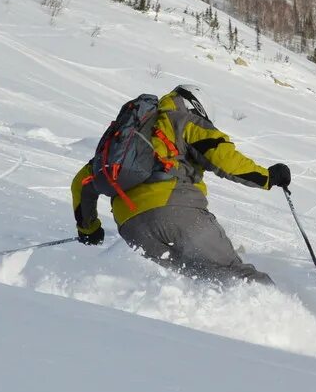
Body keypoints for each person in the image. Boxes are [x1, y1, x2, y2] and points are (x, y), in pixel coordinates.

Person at [70, 86, 290, 285]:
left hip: (132, 228)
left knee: (204, 280)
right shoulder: (183, 120)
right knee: (236, 275)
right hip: (176, 212)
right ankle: (283, 319)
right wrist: (268, 177)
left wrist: (88, 229)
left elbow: (82, 183)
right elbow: (225, 160)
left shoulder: (128, 138)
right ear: (194, 106)